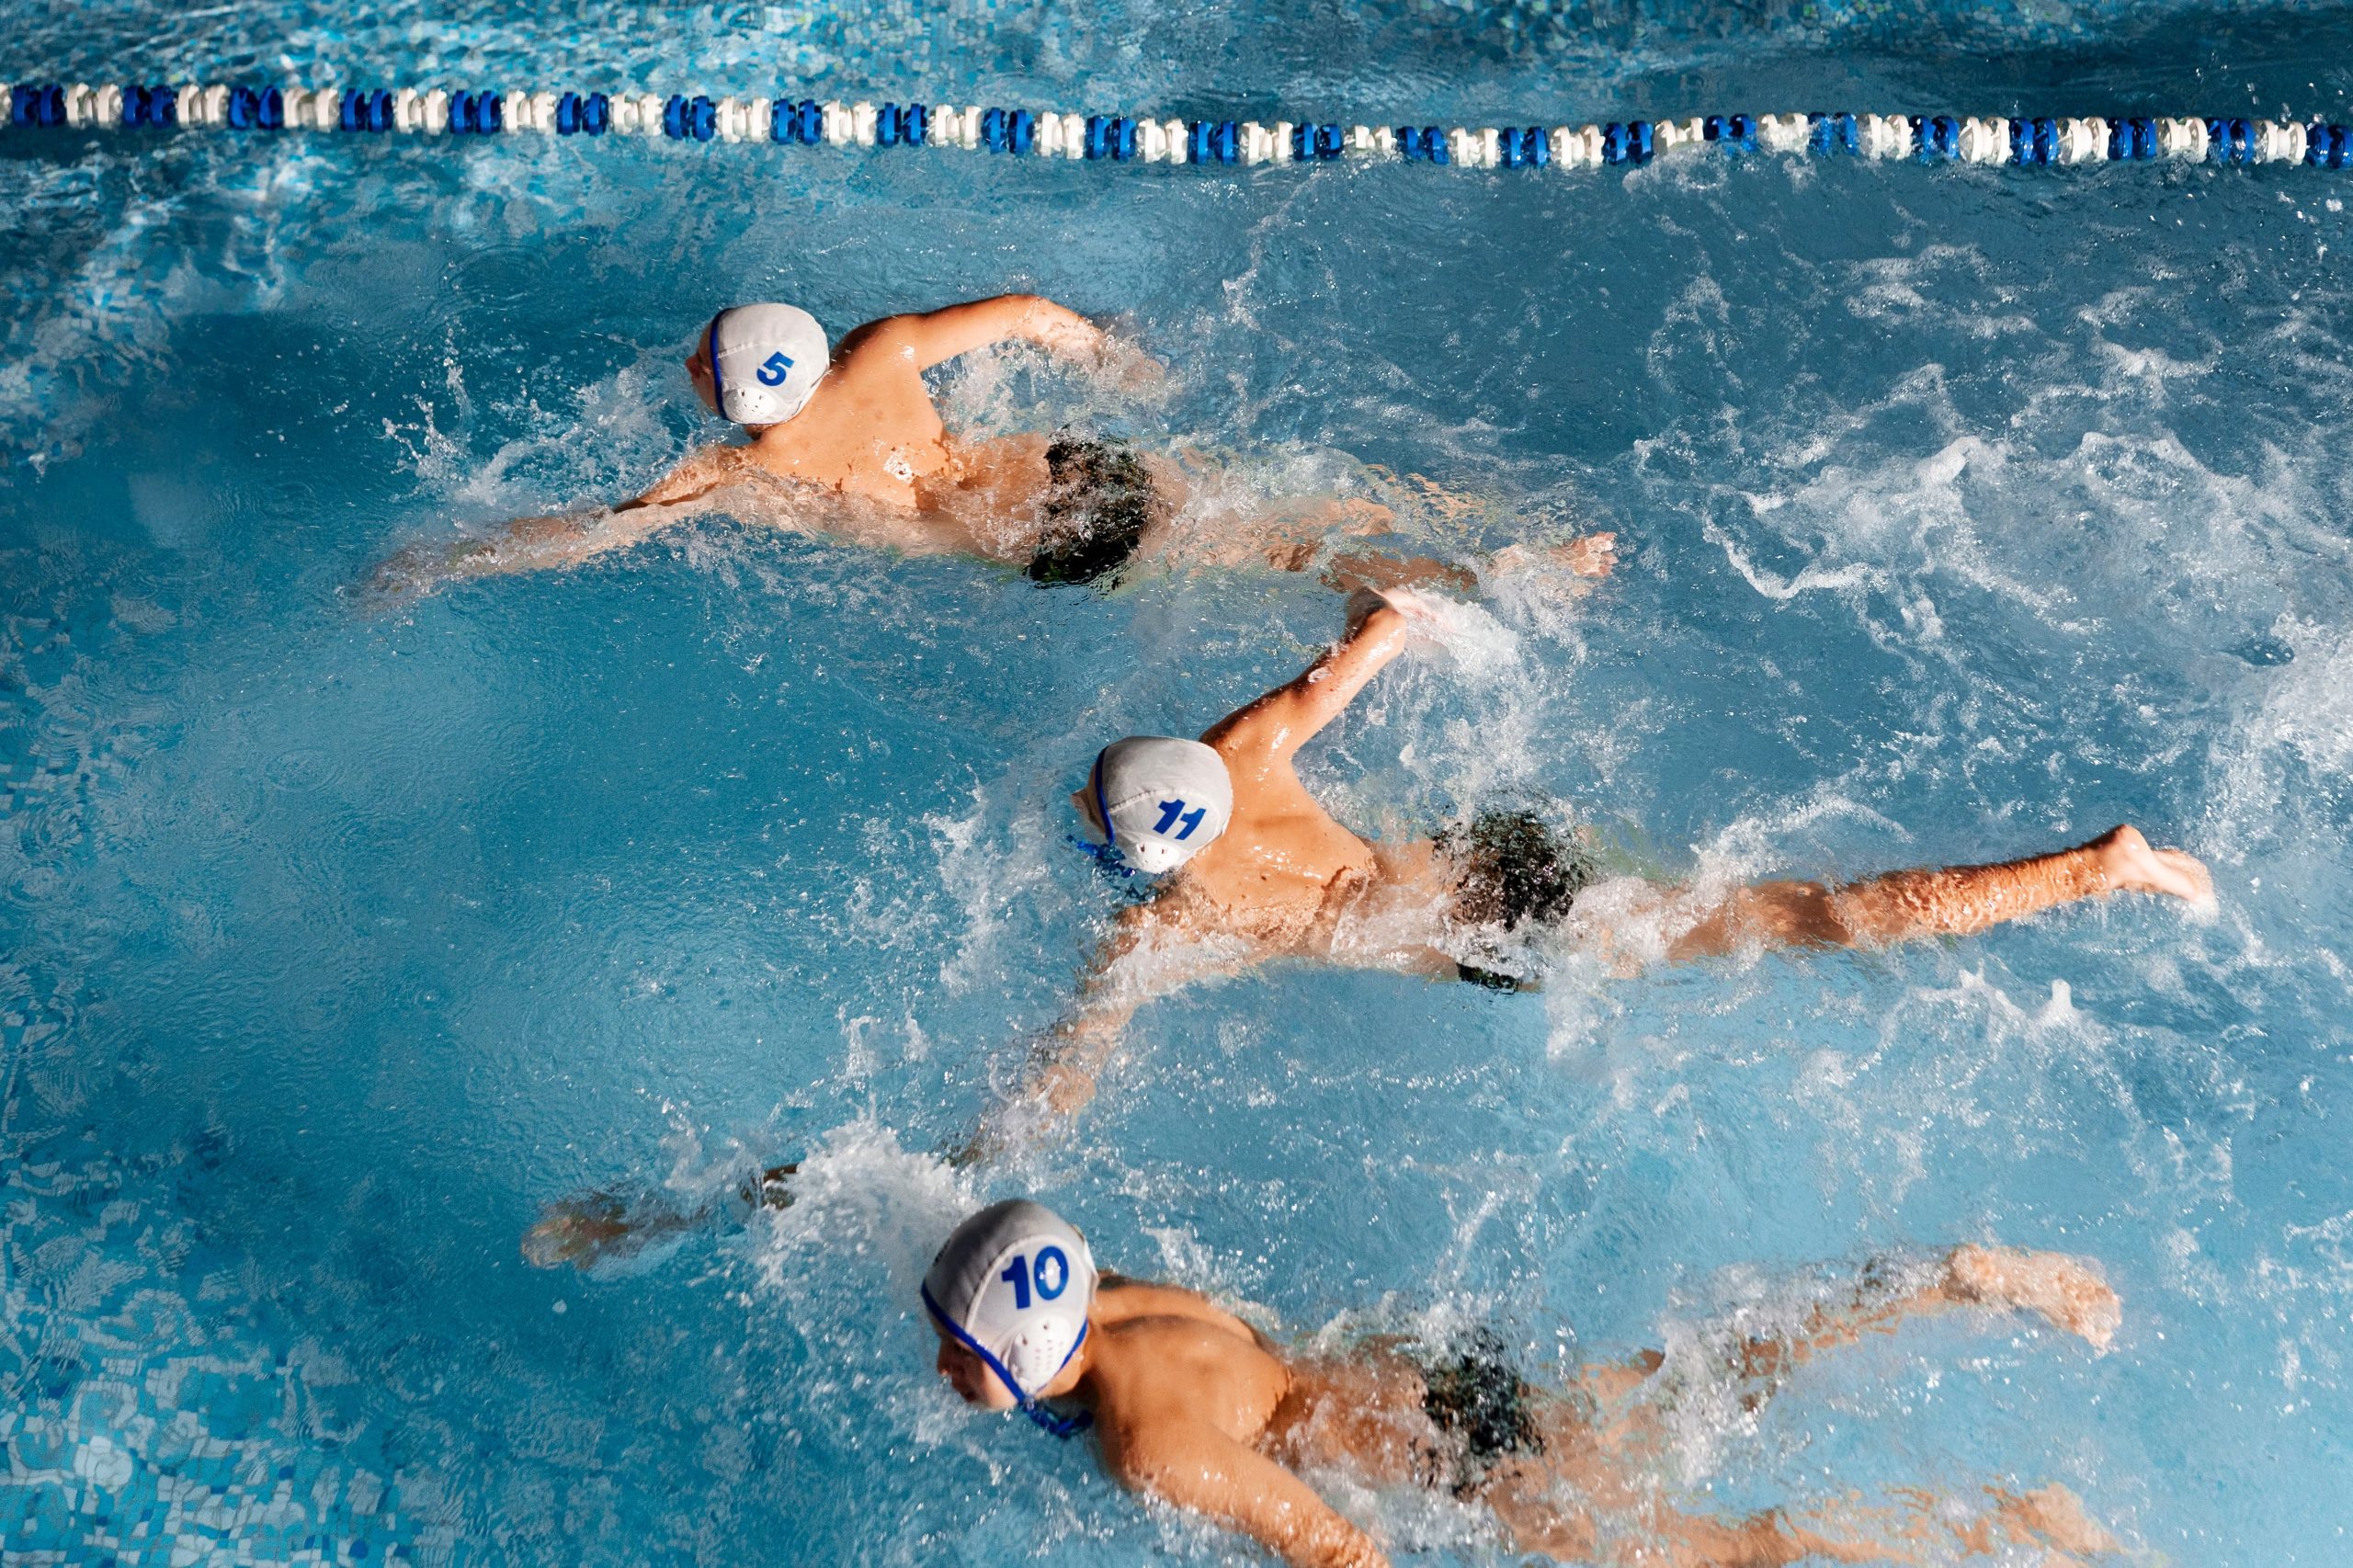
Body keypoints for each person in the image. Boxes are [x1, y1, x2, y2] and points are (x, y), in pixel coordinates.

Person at [987, 585, 2211, 1149]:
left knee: (1799, 921)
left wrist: (976, 1163)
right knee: (1759, 899)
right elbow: (1385, 628)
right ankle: (2092, 866)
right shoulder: (1239, 749)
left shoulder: (1162, 932)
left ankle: (2094, 868)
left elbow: (1072, 1069)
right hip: (1496, 853)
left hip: (1506, 943)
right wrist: (1530, 577)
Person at [917, 1198, 2124, 1567]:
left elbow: (1345, 1552)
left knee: (1714, 1554)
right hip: (1427, 1379)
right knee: (1699, 1376)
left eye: (956, 1349)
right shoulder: (1113, 1294)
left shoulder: (1148, 1445)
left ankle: (2014, 1527)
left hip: (1461, 1458)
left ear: (1021, 1358)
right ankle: (1950, 1278)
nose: (937, 1365)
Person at [369, 295, 1613, 595]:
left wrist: (438, 561)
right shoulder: (884, 347)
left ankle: (1485, 584)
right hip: (1059, 463)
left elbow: (589, 535)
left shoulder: (740, 471)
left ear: (728, 392)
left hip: (1030, 532)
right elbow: (1028, 312)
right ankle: (1488, 528)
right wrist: (1118, 361)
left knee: (1281, 554)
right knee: (1290, 496)